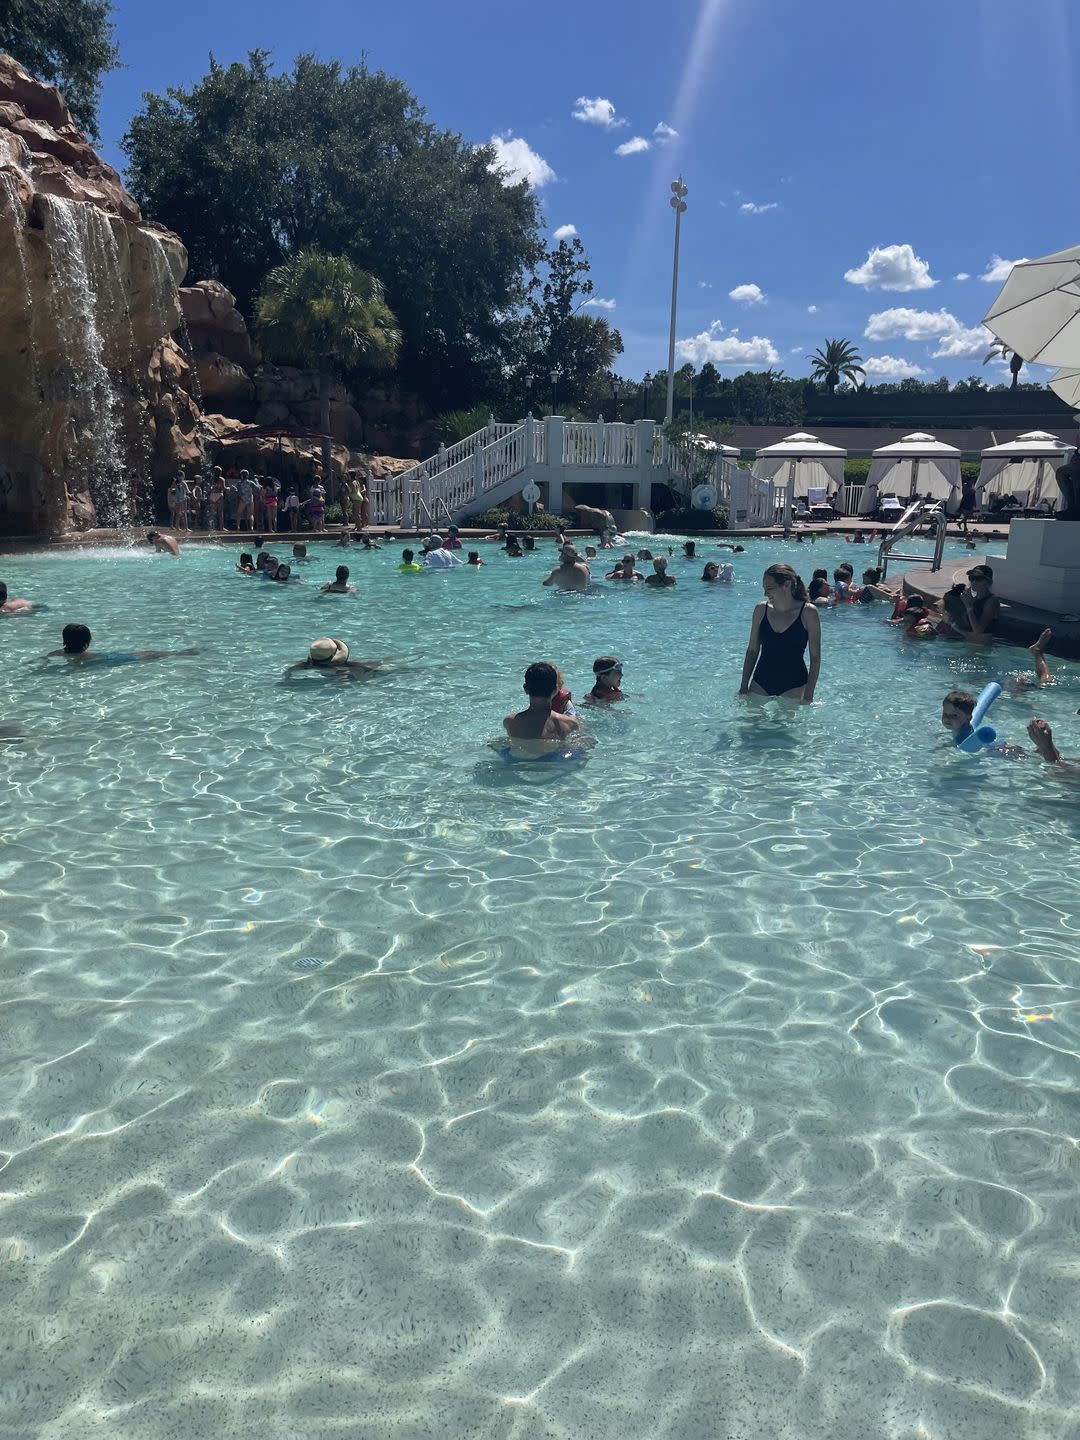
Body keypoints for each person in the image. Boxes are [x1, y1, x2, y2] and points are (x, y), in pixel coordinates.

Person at [739, 564, 821, 703]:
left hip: (794, 685)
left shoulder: (808, 612)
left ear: (787, 585)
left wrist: (808, 695)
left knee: (785, 725)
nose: (766, 594)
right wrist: (743, 686)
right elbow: (752, 650)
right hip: (760, 683)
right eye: (764, 589)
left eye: (770, 589)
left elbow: (815, 658)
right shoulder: (761, 610)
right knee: (751, 725)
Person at [502, 660, 581, 755]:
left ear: (525, 689)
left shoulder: (510, 722)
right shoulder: (569, 724)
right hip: (554, 766)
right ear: (556, 689)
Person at [45, 623, 198, 665]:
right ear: (88, 642)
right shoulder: (88, 658)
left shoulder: (54, 654)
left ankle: (178, 653)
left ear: (64, 639)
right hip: (109, 659)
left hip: (100, 659)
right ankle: (178, 653)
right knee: (147, 654)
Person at [284, 637, 389, 677]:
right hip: (350, 673)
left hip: (327, 671)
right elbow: (361, 679)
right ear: (335, 655)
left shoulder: (304, 665)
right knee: (381, 665)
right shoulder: (350, 667)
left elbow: (288, 672)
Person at [955, 564, 1000, 639]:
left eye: (979, 579)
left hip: (982, 649)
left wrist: (968, 607)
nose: (974, 582)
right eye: (972, 578)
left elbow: (978, 631)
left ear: (988, 582)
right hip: (968, 646)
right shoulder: (973, 599)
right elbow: (967, 630)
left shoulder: (992, 601)